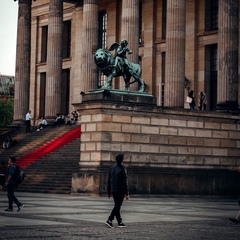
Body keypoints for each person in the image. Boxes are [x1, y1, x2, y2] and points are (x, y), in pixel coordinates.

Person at [105, 154, 129, 228]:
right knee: (117, 206)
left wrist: (109, 191)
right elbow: (124, 181)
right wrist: (127, 193)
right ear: (122, 160)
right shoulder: (122, 169)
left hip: (113, 190)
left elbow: (109, 181)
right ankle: (110, 220)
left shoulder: (111, 168)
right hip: (120, 190)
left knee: (117, 205)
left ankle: (120, 222)